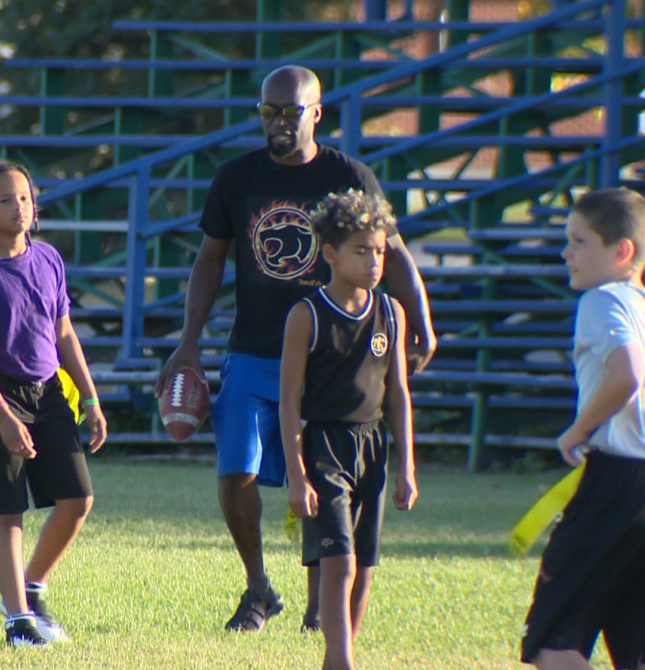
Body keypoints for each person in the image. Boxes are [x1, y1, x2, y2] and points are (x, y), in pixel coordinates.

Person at [156, 64, 435, 632]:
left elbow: (396, 253)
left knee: (321, 477)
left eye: (291, 111)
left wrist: (423, 324)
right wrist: (188, 342)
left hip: (329, 357)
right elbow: (209, 260)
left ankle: (317, 606)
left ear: (317, 113)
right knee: (235, 471)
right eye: (269, 111)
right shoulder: (236, 177)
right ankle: (258, 588)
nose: (279, 122)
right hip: (254, 349)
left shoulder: (348, 175)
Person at [521, 188, 645, 670]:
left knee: (552, 645)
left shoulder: (602, 301)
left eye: (579, 241)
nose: (566, 253)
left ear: (622, 251)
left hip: (617, 482)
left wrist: (577, 431)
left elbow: (628, 375)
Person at [0, 162, 108, 647]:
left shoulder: (49, 259)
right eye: (4, 200)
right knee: (8, 511)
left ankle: (30, 587)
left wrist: (91, 398)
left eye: (24, 197)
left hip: (49, 392)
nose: (19, 207)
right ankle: (18, 621)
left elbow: (64, 334)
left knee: (78, 499)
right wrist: (1, 416)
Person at [278, 190, 417, 670]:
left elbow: (398, 393)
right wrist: (297, 476)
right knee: (339, 561)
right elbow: (289, 400)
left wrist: (407, 467)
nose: (374, 262)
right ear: (331, 254)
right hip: (324, 446)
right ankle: (341, 661)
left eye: (379, 251)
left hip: (373, 446)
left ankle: (339, 657)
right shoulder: (306, 315)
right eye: (362, 251)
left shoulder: (391, 313)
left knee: (364, 565)